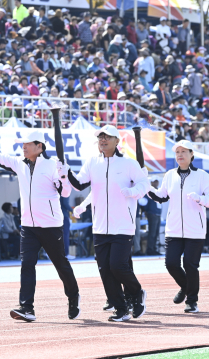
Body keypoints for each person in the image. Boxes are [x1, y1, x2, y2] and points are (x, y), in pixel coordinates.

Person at [0, 121, 80, 322]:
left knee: (61, 264)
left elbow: (65, 192)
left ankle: (73, 297)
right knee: (27, 264)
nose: (24, 146)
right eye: (23, 143)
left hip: (51, 225)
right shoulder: (19, 164)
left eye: (28, 143)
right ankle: (27, 307)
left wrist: (64, 177)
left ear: (40, 146)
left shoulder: (52, 165)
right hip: (28, 226)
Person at [66, 125, 149, 322]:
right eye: (100, 137)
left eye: (107, 137)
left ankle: (136, 292)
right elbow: (79, 184)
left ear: (117, 141)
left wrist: (132, 192)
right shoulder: (92, 163)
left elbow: (144, 184)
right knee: (104, 268)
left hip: (123, 224)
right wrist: (66, 172)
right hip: (100, 225)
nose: (103, 140)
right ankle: (120, 308)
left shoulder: (128, 164)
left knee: (118, 266)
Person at [148, 140, 209, 313]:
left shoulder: (202, 175)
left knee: (190, 264)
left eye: (183, 151)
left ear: (192, 154)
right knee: (171, 263)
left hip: (195, 229)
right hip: (174, 228)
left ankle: (192, 301)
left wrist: (200, 198)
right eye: (177, 152)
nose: (179, 154)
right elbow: (161, 197)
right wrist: (145, 186)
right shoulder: (170, 174)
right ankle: (186, 286)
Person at [138, 178, 163, 255]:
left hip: (157, 214)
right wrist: (147, 211)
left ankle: (154, 248)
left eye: (157, 181)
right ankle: (150, 249)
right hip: (152, 214)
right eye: (154, 181)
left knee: (156, 233)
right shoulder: (149, 191)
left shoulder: (159, 191)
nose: (156, 183)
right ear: (151, 182)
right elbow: (143, 202)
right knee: (152, 233)